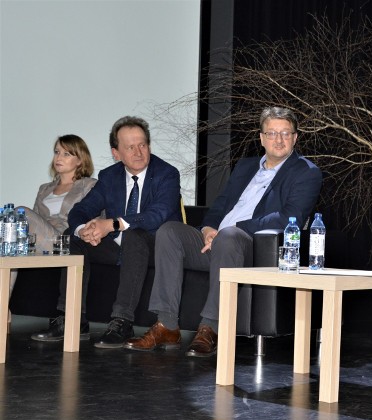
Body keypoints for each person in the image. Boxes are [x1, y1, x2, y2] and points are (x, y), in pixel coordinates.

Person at [124, 106, 322, 357]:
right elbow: (221, 204)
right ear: (261, 138)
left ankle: (211, 328)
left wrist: (233, 228)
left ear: (295, 137)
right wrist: (208, 228)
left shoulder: (306, 171)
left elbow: (289, 217)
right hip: (218, 241)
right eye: (272, 133)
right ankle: (167, 325)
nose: (278, 139)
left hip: (252, 247)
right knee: (169, 231)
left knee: (228, 236)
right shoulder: (246, 166)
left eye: (285, 133)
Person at [31, 116, 182, 348]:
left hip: (155, 246)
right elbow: (81, 210)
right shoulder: (110, 176)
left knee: (134, 235)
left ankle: (122, 321)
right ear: (116, 153)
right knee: (73, 236)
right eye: (130, 147)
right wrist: (83, 230)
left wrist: (112, 224)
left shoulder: (167, 173)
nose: (138, 151)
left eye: (142, 144)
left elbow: (157, 214)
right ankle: (71, 318)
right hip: (119, 246)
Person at [10, 135, 97, 290]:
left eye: (66, 154)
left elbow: (93, 217)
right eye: (56, 152)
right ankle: (3, 309)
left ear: (80, 160)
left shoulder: (89, 185)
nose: (58, 157)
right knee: (8, 245)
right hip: (41, 242)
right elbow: (35, 221)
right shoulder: (44, 189)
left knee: (20, 212)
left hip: (66, 240)